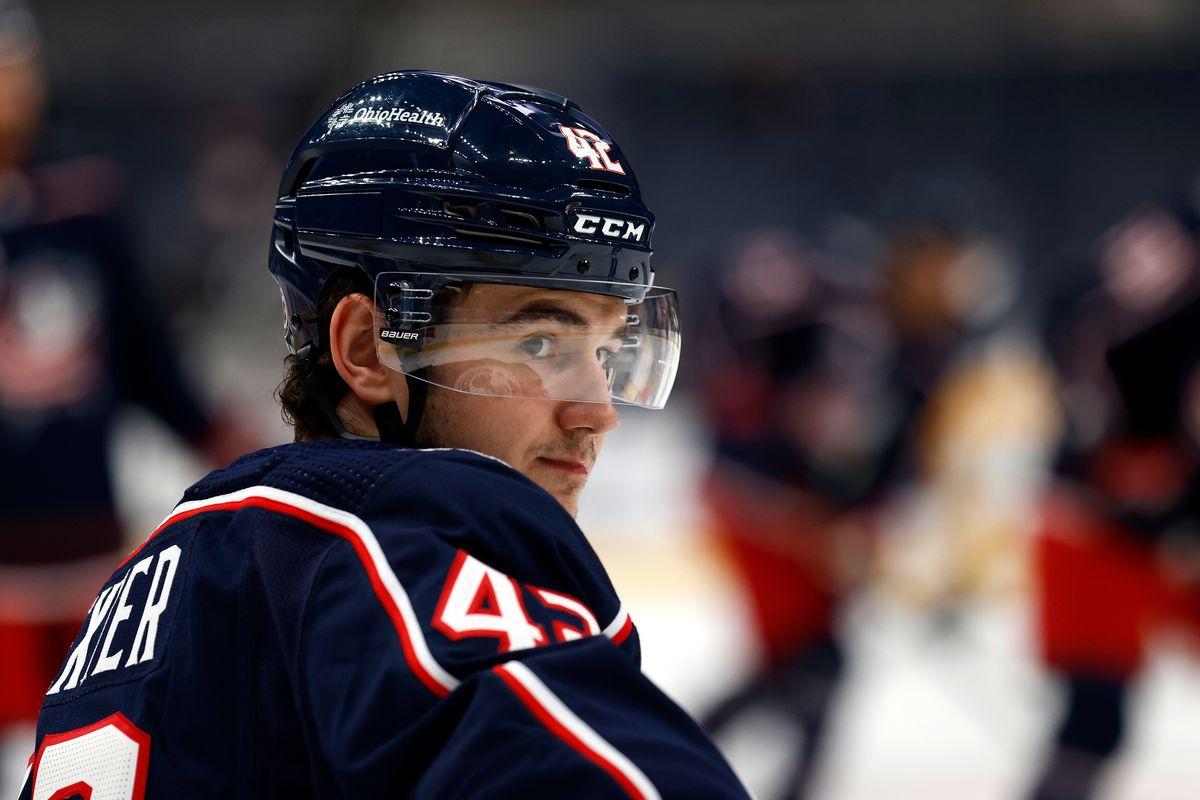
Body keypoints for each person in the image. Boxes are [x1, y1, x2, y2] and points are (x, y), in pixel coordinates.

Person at [19, 70, 750, 798]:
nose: (599, 410)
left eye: (605, 352)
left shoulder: (150, 593)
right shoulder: (387, 564)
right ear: (369, 348)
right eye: (538, 346)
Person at [0, 3, 250, 788]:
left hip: (86, 555)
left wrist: (235, 447)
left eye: (15, 69)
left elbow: (148, 366)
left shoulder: (81, 205)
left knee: (101, 759)